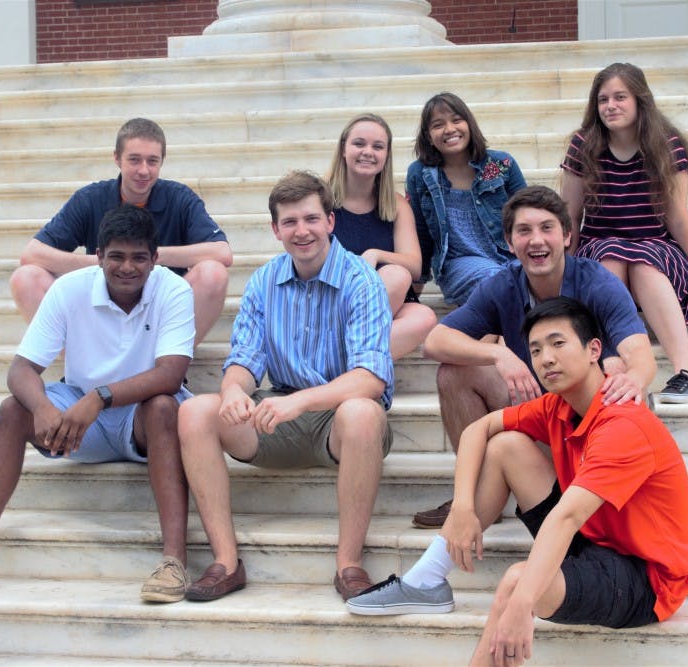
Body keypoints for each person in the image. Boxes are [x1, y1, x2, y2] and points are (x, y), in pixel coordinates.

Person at [347, 298, 688, 667]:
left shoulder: (624, 426)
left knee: (518, 580)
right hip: (593, 543)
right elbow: (477, 429)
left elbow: (566, 518)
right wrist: (464, 507)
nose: (546, 358)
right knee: (506, 446)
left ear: (594, 349)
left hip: (646, 579)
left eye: (558, 343)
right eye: (535, 349)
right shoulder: (558, 406)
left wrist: (522, 605)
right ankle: (428, 578)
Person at [0, 204, 196, 604]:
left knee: (164, 406)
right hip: (79, 412)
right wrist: (42, 408)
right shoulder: (70, 289)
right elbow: (21, 368)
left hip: (139, 414)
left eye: (139, 257)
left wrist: (101, 397)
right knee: (11, 409)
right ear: (99, 256)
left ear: (156, 258)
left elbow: (170, 374)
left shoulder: (173, 290)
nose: (128, 267)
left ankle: (173, 562)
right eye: (116, 257)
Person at [177, 171, 394, 603]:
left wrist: (300, 401)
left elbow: (370, 378)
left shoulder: (361, 280)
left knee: (363, 412)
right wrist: (235, 390)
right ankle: (226, 561)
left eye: (311, 219)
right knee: (194, 411)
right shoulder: (263, 281)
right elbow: (244, 359)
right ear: (275, 229)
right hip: (279, 417)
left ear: (330, 221)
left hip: (339, 420)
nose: (302, 231)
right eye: (290, 222)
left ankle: (349, 564)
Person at [411, 185, 656, 529]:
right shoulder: (502, 284)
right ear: (509, 243)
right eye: (524, 231)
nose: (536, 240)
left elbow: (640, 354)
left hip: (595, 417)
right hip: (541, 410)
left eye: (546, 228)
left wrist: (633, 378)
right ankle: (483, 496)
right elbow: (435, 341)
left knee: (615, 371)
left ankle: (599, 497)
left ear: (567, 236)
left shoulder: (597, 282)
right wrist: (497, 353)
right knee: (454, 373)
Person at [560, 62, 688, 403]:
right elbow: (570, 217)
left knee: (643, 262)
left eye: (621, 97)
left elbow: (677, 218)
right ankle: (611, 361)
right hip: (600, 246)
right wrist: (565, 274)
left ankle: (687, 373)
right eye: (603, 99)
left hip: (656, 248)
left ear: (640, 101)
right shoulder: (584, 144)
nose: (611, 106)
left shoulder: (665, 144)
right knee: (611, 258)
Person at [9, 117, 232, 346]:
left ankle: (169, 361)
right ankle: (83, 366)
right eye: (134, 160)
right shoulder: (90, 199)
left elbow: (222, 253)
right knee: (25, 278)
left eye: (152, 161)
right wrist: (102, 261)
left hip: (159, 312)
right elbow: (31, 254)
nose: (144, 170)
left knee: (213, 273)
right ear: (117, 158)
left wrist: (149, 257)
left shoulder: (180, 199)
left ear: (162, 162)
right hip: (100, 307)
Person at [327, 113, 437, 358]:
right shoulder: (320, 199)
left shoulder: (395, 204)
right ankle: (351, 364)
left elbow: (415, 266)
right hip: (336, 295)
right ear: (343, 149)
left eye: (378, 146)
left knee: (422, 316)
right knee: (395, 275)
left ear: (386, 155)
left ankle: (339, 359)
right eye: (359, 143)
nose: (368, 152)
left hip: (389, 299)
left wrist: (375, 255)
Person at [407, 92, 527, 305]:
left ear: (469, 124)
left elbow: (527, 214)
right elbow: (421, 234)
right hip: (459, 265)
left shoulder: (500, 164)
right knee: (498, 281)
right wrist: (415, 288)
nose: (449, 129)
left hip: (510, 257)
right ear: (427, 136)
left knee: (525, 281)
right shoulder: (421, 174)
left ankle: (497, 339)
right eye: (438, 125)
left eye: (456, 120)